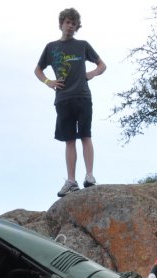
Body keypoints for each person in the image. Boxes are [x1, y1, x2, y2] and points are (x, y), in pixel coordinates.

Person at [35, 8, 106, 196]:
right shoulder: (51, 48)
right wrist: (48, 82)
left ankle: (89, 176)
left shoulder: (83, 45)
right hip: (63, 99)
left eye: (73, 24)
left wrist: (92, 73)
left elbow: (102, 65)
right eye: (67, 22)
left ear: (76, 27)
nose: (70, 26)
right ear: (61, 23)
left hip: (82, 96)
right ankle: (71, 181)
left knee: (85, 136)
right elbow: (38, 70)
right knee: (69, 141)